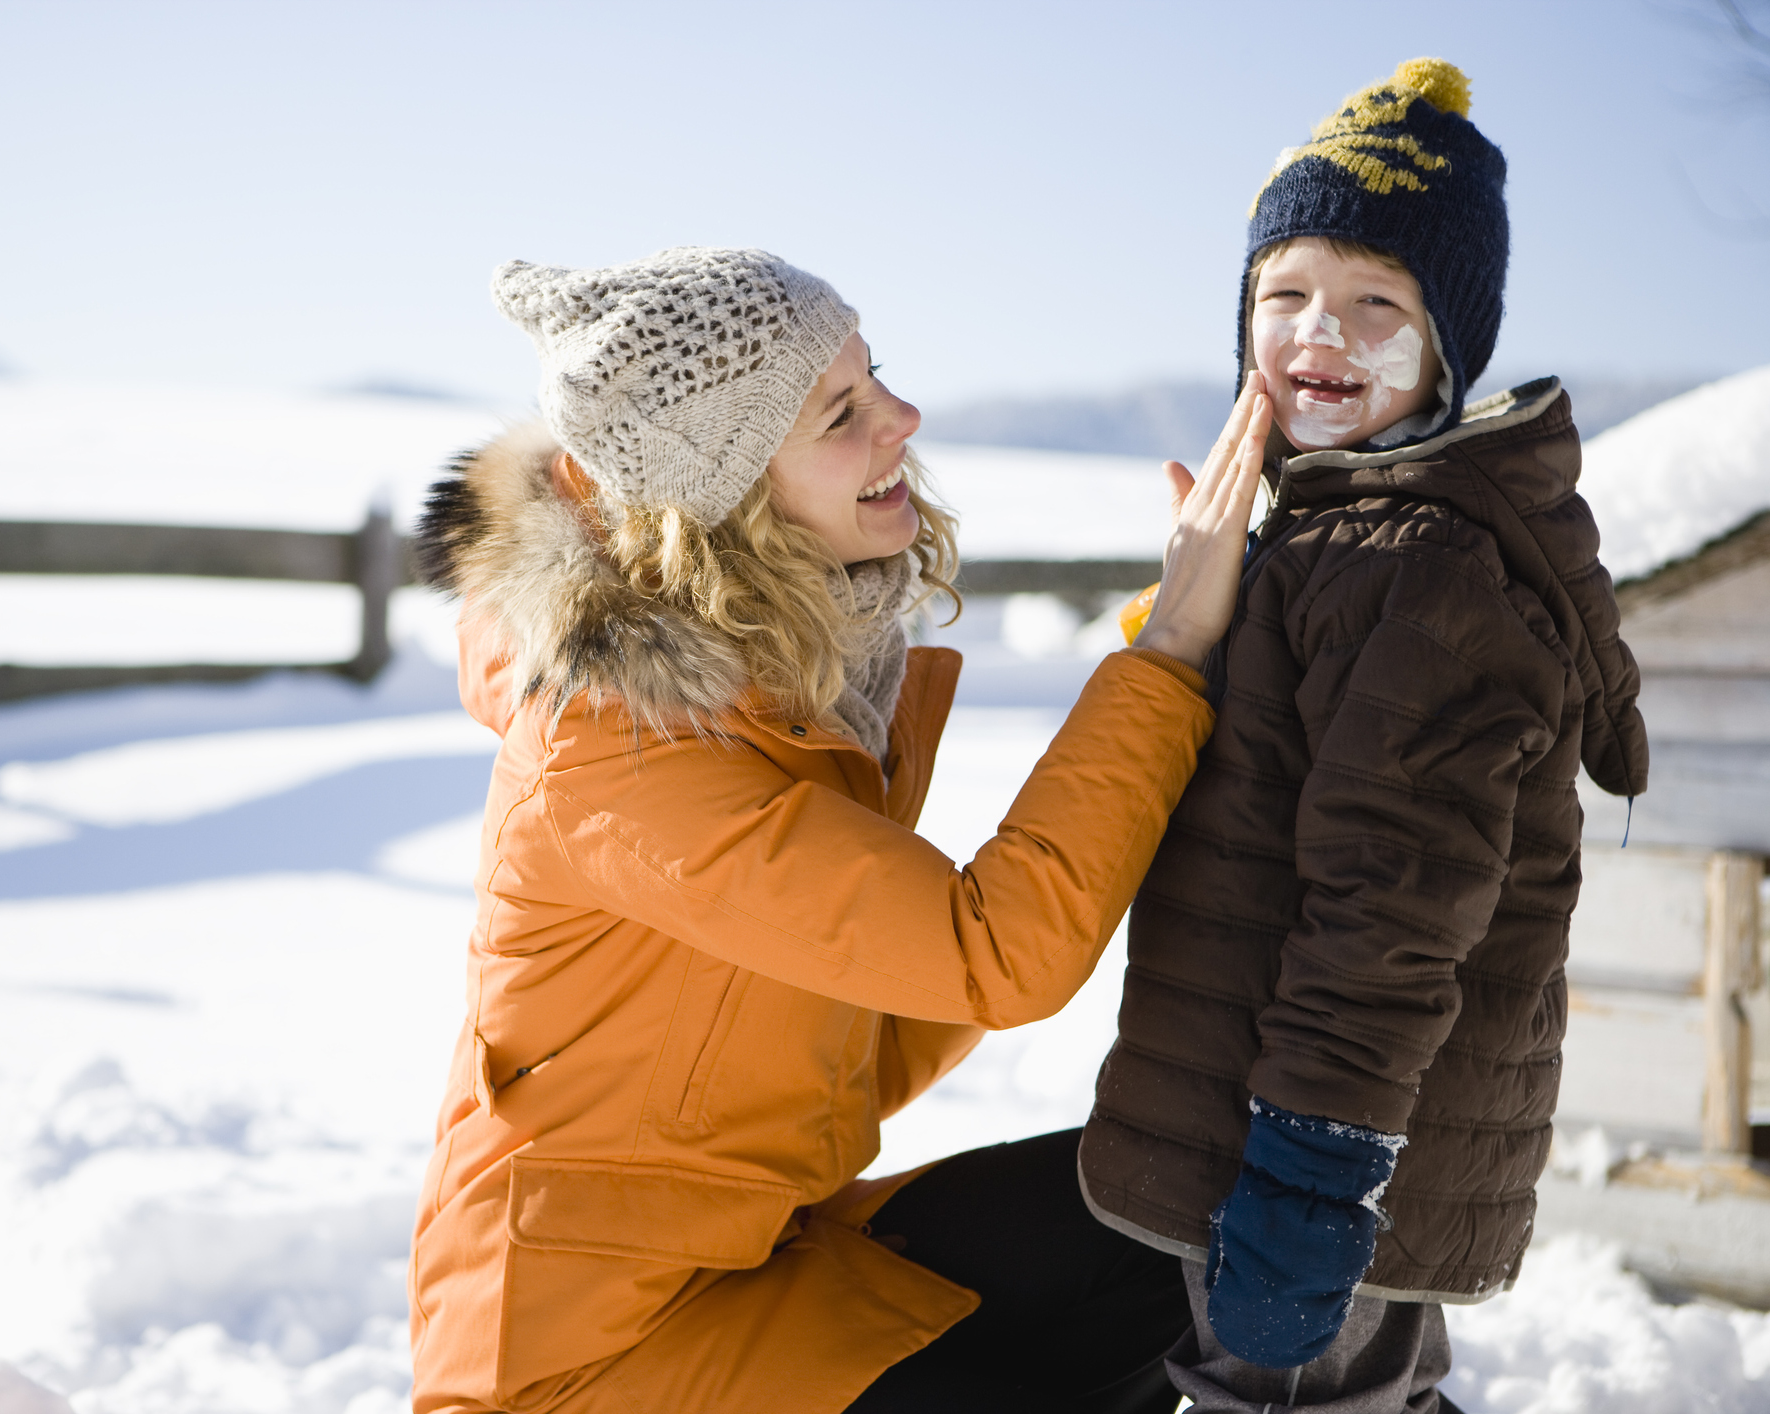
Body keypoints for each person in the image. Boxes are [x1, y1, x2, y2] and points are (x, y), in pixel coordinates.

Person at [405, 245, 1267, 1414]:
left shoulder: (793, 687)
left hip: (757, 1259)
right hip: (586, 1359)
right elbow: (992, 953)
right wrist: (1165, 660)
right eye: (840, 412)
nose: (902, 419)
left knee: (1187, 1206)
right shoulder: (620, 760)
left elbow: (869, 1037)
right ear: (728, 498)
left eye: (878, 378)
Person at [1077, 59, 1650, 1414]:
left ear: (1447, 349)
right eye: (1283, 294)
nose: (1318, 331)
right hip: (1277, 1116)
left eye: (1376, 301)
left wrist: (1313, 1172)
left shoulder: (1419, 571)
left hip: (1319, 1151)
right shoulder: (1333, 535)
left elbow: (1391, 908)